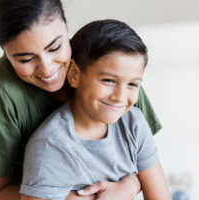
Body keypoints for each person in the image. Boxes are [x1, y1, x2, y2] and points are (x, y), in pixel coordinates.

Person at [0, 0, 162, 199]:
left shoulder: (110, 72)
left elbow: (142, 159)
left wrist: (129, 185)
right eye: (25, 58)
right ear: (5, 52)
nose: (47, 69)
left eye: (55, 46)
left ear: (64, 19)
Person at [20, 19, 171, 200]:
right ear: (74, 75)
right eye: (109, 81)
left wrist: (131, 185)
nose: (120, 97)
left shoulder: (134, 124)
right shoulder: (51, 146)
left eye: (132, 84)